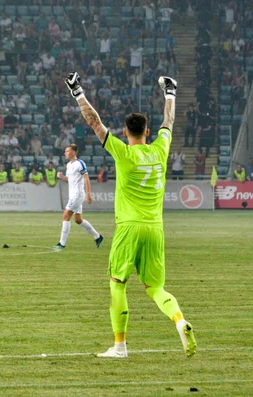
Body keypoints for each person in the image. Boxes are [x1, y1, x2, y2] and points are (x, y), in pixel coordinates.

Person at [65, 71, 196, 358]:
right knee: (156, 287)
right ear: (147, 132)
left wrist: (78, 92)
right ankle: (179, 320)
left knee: (117, 284)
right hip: (155, 228)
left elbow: (94, 122)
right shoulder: (161, 149)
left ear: (126, 133)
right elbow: (169, 122)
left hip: (128, 228)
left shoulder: (123, 153)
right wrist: (170, 93)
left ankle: (120, 347)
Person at [54, 144, 104, 251]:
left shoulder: (80, 164)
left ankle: (61, 244)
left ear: (73, 152)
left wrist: (88, 195)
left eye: (67, 151)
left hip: (78, 194)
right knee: (77, 219)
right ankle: (98, 237)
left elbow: (86, 179)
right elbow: (70, 180)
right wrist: (62, 177)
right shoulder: (68, 165)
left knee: (65, 216)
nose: (65, 153)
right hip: (73, 195)